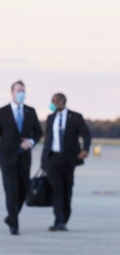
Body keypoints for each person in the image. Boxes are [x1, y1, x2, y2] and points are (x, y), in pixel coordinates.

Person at [41, 93, 91, 232]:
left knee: (67, 189)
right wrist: (43, 161)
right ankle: (58, 220)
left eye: (54, 101)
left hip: (68, 159)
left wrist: (85, 149)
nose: (52, 103)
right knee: (56, 190)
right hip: (53, 158)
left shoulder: (75, 117)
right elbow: (47, 141)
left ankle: (64, 219)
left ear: (62, 101)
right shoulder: (51, 118)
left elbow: (86, 134)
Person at [0, 80, 43, 235]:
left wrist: (31, 142)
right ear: (11, 92)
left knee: (23, 189)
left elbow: (38, 132)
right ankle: (14, 224)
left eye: (23, 90)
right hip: (7, 157)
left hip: (24, 157)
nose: (21, 93)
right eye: (18, 90)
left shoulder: (30, 111)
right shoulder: (3, 112)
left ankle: (11, 217)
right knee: (11, 190)